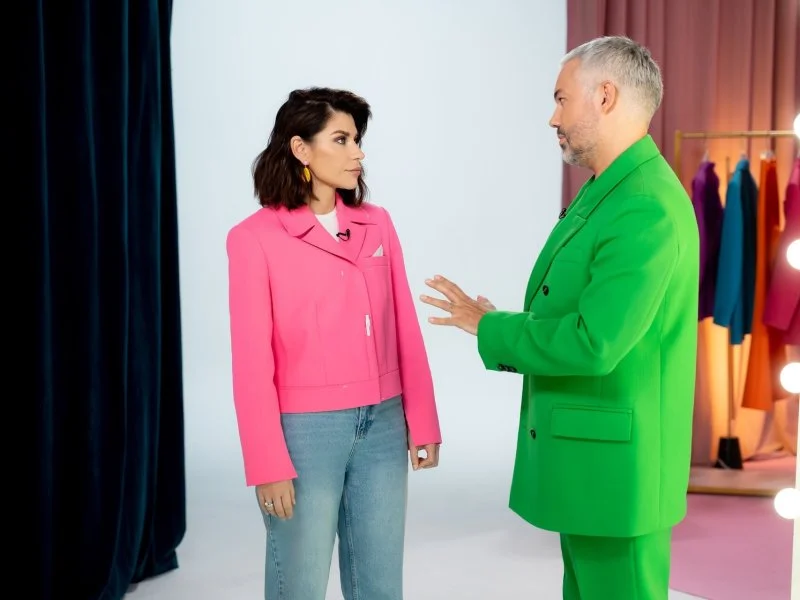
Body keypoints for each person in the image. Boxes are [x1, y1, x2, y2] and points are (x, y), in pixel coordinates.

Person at [420, 36, 699, 600]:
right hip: (596, 464)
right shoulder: (611, 191)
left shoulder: (643, 205)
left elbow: (594, 342)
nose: (553, 118)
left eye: (561, 99)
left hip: (616, 473)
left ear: (605, 96)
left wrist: (489, 326)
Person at [226, 87, 442, 600]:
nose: (357, 152)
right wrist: (267, 463)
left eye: (358, 140)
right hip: (305, 433)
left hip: (384, 425)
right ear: (301, 148)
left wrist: (423, 419)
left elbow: (403, 326)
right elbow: (251, 363)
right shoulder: (253, 238)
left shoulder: (377, 223)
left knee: (380, 586)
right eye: (341, 139)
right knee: (299, 586)